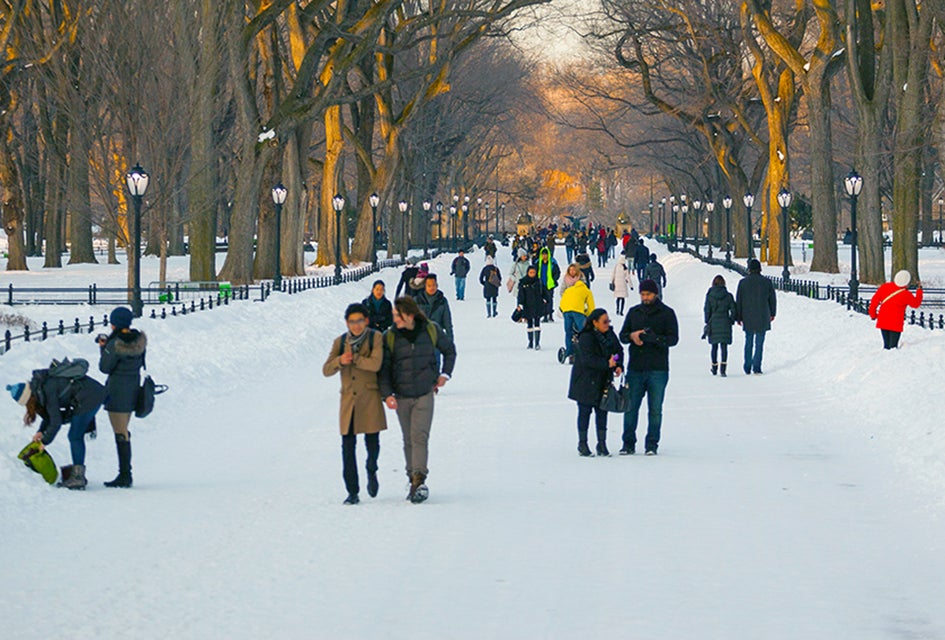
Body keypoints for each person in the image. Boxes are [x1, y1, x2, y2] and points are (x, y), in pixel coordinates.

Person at [380, 297, 457, 503]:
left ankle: (419, 480)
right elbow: (383, 369)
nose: (395, 319)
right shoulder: (390, 337)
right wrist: (387, 394)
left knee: (419, 436)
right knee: (408, 438)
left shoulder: (431, 330)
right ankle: (411, 476)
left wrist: (445, 374)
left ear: (409, 315)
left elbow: (449, 350)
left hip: (424, 393)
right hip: (401, 395)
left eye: (398, 315)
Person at [323, 303, 387, 505]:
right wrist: (340, 361)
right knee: (347, 447)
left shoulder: (375, 338)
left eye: (359, 321)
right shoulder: (340, 342)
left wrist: (356, 359)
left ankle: (371, 468)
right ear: (346, 323)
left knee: (372, 443)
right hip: (349, 401)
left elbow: (375, 363)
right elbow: (326, 370)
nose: (356, 325)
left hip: (369, 397)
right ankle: (352, 491)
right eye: (352, 322)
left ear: (366, 321)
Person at [7, 360, 105, 490]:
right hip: (88, 394)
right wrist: (41, 431)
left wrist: (45, 441)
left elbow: (56, 421)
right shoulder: (40, 388)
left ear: (28, 398)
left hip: (90, 397)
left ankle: (78, 478)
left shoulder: (47, 389)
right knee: (74, 435)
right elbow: (50, 415)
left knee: (75, 436)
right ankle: (77, 474)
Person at [618, 279, 679, 455]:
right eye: (642, 294)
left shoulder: (667, 313)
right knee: (631, 408)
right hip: (636, 367)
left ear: (655, 294)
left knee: (655, 410)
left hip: (658, 368)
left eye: (648, 294)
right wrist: (632, 336)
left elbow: (673, 339)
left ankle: (652, 444)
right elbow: (622, 336)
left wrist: (655, 338)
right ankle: (628, 443)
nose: (645, 297)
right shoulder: (634, 312)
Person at [97, 306, 147, 488]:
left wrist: (103, 348)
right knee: (124, 430)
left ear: (115, 324)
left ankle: (125, 475)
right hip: (133, 390)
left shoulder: (114, 344)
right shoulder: (139, 341)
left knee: (121, 433)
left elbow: (105, 367)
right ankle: (125, 473)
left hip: (117, 392)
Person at [567, 308, 623, 457]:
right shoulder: (586, 337)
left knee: (602, 411)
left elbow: (618, 351)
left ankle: (602, 443)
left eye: (608, 321)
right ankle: (583, 443)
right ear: (595, 322)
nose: (607, 324)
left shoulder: (610, 334)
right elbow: (587, 359)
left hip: (603, 380)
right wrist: (607, 363)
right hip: (585, 381)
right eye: (604, 322)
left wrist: (617, 364)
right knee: (585, 412)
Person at [735, 259, 777, 374]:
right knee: (759, 343)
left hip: (748, 315)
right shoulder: (767, 282)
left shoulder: (743, 283)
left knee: (748, 341)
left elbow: (739, 300)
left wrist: (738, 316)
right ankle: (757, 366)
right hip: (762, 315)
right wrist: (772, 313)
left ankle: (747, 366)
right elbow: (772, 299)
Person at [868, 270, 923, 350]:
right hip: (896, 322)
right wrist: (919, 290)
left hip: (883, 319)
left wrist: (873, 315)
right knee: (893, 347)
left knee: (886, 345)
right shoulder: (906, 294)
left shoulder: (885, 287)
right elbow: (916, 304)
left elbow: (874, 302)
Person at [703, 275, 736, 376]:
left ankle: (714, 367)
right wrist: (731, 320)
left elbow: (707, 309)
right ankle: (723, 369)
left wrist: (707, 321)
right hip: (725, 322)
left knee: (714, 346)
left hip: (713, 322)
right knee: (724, 346)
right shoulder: (728, 296)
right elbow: (733, 309)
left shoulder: (710, 296)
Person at [558, 275, 595, 362]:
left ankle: (569, 351)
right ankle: (585, 349)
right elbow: (591, 306)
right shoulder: (586, 290)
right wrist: (589, 315)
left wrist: (564, 311)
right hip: (578, 311)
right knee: (583, 332)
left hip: (566, 311)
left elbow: (562, 303)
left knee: (568, 332)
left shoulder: (569, 289)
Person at [517, 264, 547, 349]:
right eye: (530, 272)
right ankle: (530, 342)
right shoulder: (523, 282)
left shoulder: (539, 281)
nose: (532, 274)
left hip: (538, 305)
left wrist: (546, 299)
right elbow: (520, 294)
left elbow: (544, 291)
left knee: (537, 323)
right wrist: (519, 304)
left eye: (534, 272)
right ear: (527, 272)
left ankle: (537, 342)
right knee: (529, 324)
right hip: (527, 305)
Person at [415, 274, 454, 340]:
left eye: (433, 285)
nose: (431, 288)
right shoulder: (417, 300)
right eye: (429, 285)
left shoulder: (442, 301)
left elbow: (447, 323)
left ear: (437, 285)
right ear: (425, 286)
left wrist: (450, 341)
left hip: (437, 337)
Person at [536, 246, 560, 322]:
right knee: (542, 301)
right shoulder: (538, 263)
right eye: (543, 254)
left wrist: (554, 279)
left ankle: (550, 315)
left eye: (545, 254)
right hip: (541, 284)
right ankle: (544, 315)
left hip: (549, 284)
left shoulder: (553, 262)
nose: (544, 256)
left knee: (549, 300)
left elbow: (557, 272)